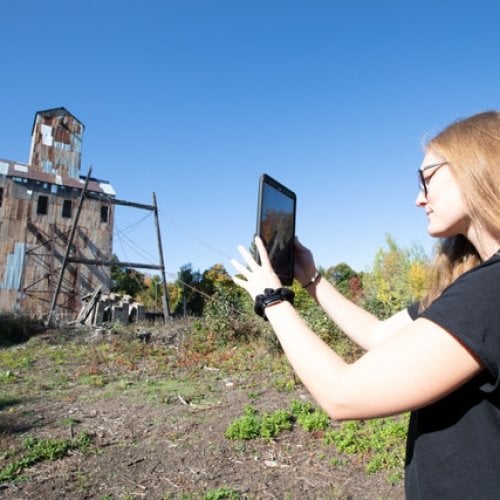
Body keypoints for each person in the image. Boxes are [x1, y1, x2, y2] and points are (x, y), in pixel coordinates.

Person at [230, 111, 500, 499]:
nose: (418, 197)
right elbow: (378, 335)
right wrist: (310, 279)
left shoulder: (488, 292)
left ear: (478, 166)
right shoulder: (473, 282)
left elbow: (343, 394)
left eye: (427, 177)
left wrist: (272, 299)